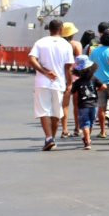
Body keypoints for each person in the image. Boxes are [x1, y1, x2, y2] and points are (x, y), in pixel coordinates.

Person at [28, 19, 74, 151]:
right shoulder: (66, 45)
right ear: (61, 29)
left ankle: (49, 138)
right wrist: (69, 83)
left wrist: (44, 71)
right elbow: (68, 67)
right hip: (58, 83)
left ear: (50, 29)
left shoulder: (41, 42)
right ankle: (51, 138)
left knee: (43, 111)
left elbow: (31, 58)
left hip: (42, 82)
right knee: (56, 113)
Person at [70, 55, 105, 150]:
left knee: (85, 123)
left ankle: (87, 141)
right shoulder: (94, 79)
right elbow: (104, 87)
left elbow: (72, 92)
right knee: (91, 122)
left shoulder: (77, 82)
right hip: (94, 104)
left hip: (82, 105)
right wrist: (96, 89)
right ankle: (87, 138)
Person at [90, 31, 109, 138]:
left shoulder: (95, 51)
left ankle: (103, 131)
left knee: (101, 107)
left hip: (99, 82)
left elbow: (90, 65)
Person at [60, 22, 83, 138]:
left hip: (63, 77)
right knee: (77, 104)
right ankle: (77, 128)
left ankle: (64, 129)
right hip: (76, 77)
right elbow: (80, 62)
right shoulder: (76, 45)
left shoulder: (59, 45)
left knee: (64, 105)